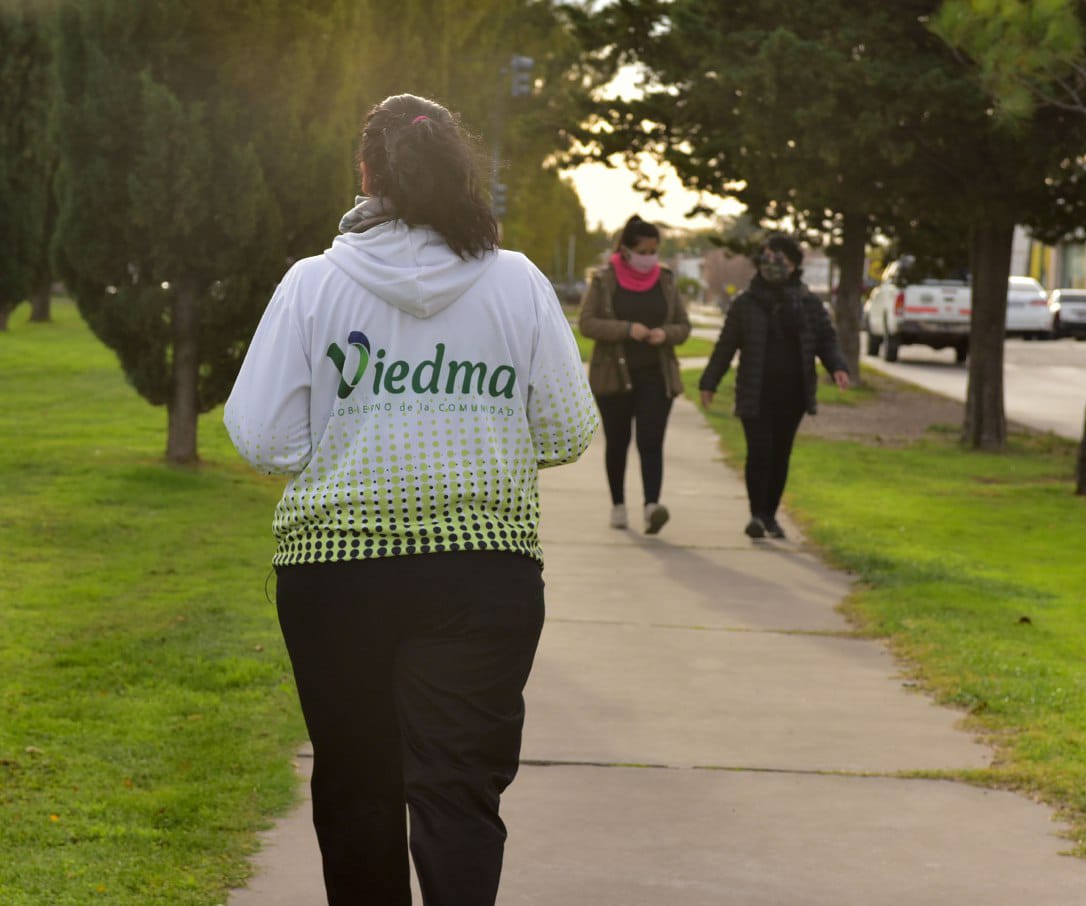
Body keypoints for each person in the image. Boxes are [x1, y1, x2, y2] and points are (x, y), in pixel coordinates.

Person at [223, 93, 597, 906]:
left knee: (357, 784)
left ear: (367, 174)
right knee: (459, 789)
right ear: (461, 172)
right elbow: (568, 430)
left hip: (336, 576)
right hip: (482, 574)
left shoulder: (312, 285)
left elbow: (263, 437)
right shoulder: (519, 282)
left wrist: (348, 435)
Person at [698, 234, 850, 539]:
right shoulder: (745, 303)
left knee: (780, 455)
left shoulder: (808, 303)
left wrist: (838, 367)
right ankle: (756, 514)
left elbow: (825, 339)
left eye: (780, 258)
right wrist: (709, 382)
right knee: (759, 453)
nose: (772, 264)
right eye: (767, 257)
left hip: (793, 394)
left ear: (794, 264)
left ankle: (770, 515)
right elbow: (726, 346)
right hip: (755, 391)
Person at [579, 214, 691, 533]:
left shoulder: (666, 280)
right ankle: (618, 505)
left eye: (654, 251)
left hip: (657, 375)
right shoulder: (604, 280)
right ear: (626, 250)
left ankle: (652, 506)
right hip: (614, 376)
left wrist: (666, 334)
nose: (649, 257)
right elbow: (587, 323)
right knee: (618, 442)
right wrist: (627, 329)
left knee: (651, 440)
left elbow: (683, 325)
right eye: (643, 251)